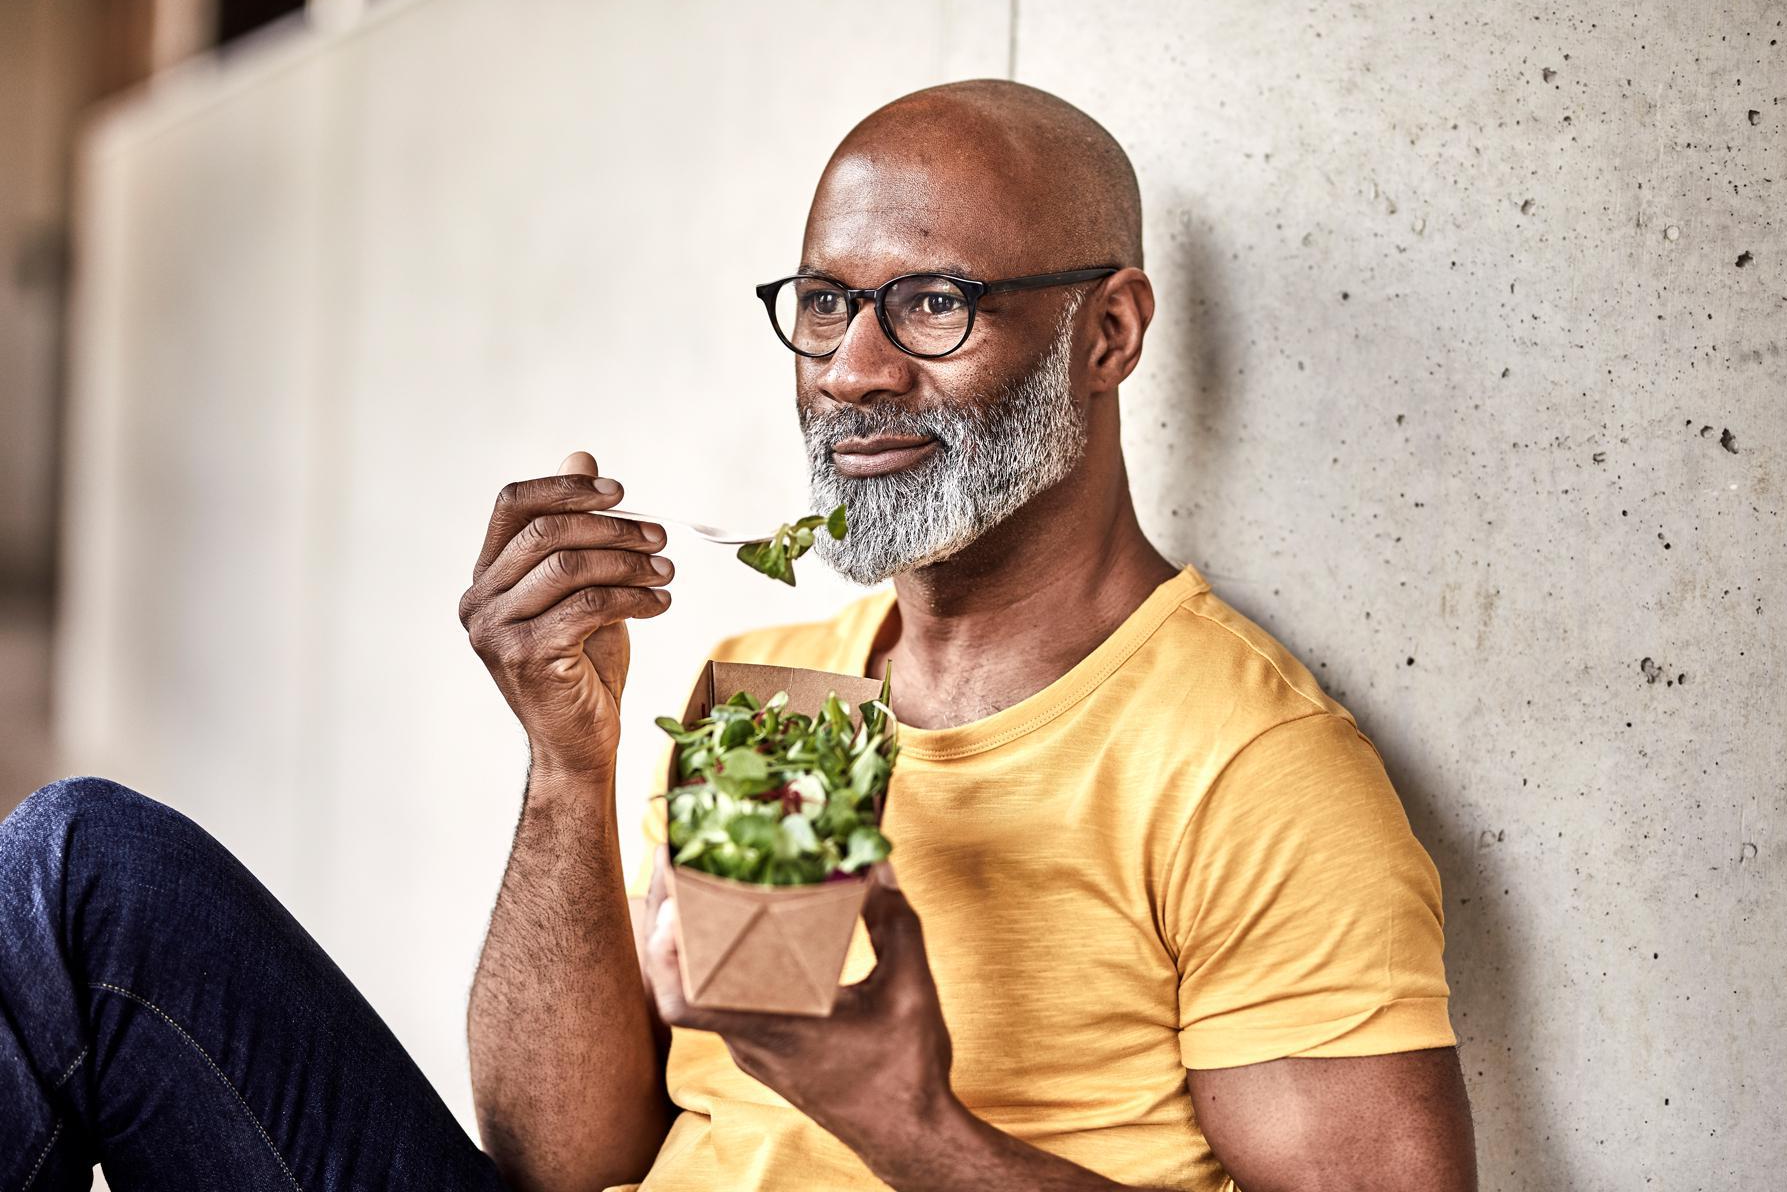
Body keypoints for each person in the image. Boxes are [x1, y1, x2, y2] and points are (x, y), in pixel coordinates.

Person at [0, 79, 1475, 1192]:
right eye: (827, 303)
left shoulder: (1247, 766)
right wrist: (568, 762)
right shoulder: (784, 698)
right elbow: (562, 1163)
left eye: (934, 304)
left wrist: (908, 1120)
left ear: (1110, 333)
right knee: (82, 869)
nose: (852, 369)